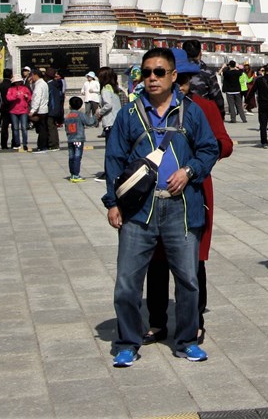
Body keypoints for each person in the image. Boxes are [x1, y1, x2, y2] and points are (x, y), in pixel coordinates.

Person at [101, 47, 219, 367]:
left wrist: (189, 171)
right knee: (127, 282)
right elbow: (113, 161)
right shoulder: (128, 115)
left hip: (180, 208)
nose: (152, 78)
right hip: (139, 209)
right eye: (146, 72)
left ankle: (185, 340)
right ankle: (127, 340)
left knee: (188, 280)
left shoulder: (191, 112)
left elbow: (210, 149)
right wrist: (113, 203)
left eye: (159, 72)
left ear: (172, 76)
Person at [144, 49, 233, 348]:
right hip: (153, 193)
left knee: (192, 260)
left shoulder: (202, 107)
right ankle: (157, 321)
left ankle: (193, 322)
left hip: (192, 191)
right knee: (155, 259)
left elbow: (224, 144)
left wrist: (195, 163)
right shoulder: (141, 109)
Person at [183, 39, 226, 119]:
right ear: (200, 53)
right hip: (201, 114)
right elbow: (217, 97)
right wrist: (220, 115)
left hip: (180, 115)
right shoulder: (207, 72)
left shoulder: (176, 70)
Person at [64, 96, 97, 182]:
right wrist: (95, 117)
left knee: (71, 156)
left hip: (70, 138)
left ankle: (72, 174)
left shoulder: (68, 116)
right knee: (77, 156)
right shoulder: (80, 115)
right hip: (78, 139)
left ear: (70, 105)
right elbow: (89, 122)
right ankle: (76, 175)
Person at [6, 75, 32, 152]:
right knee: (15, 128)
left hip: (23, 110)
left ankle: (25, 143)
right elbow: (8, 98)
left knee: (24, 128)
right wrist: (15, 96)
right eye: (16, 82)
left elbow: (30, 97)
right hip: (13, 111)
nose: (17, 83)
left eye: (19, 82)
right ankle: (17, 143)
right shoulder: (10, 89)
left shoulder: (25, 89)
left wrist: (27, 97)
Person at [28, 69, 50, 152]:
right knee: (43, 129)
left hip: (40, 110)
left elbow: (37, 98)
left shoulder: (39, 85)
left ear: (35, 75)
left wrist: (32, 110)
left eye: (32, 76)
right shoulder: (43, 83)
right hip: (44, 109)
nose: (31, 77)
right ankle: (43, 145)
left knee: (42, 130)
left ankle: (42, 146)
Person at [46, 68, 65, 150]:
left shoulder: (49, 85)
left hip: (51, 108)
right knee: (53, 126)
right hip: (56, 108)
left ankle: (53, 144)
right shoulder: (56, 84)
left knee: (51, 127)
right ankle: (54, 143)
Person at [0, 68, 14, 150]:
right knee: (15, 126)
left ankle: (4, 144)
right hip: (12, 107)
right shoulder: (12, 85)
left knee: (4, 126)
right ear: (11, 75)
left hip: (3, 107)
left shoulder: (0, 86)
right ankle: (15, 142)